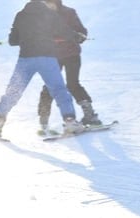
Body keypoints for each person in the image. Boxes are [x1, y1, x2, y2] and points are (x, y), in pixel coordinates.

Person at [0, 0, 84, 137]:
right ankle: (70, 121)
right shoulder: (50, 13)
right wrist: (77, 37)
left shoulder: (21, 15)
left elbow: (12, 40)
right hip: (47, 58)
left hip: (26, 59)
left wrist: (24, 38)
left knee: (13, 91)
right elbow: (64, 31)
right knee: (58, 89)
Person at [37, 0, 101, 132]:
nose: (49, 5)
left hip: (72, 55)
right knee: (50, 86)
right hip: (52, 56)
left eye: (51, 3)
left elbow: (81, 30)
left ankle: (90, 115)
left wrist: (79, 36)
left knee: (73, 84)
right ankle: (43, 119)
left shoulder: (69, 13)